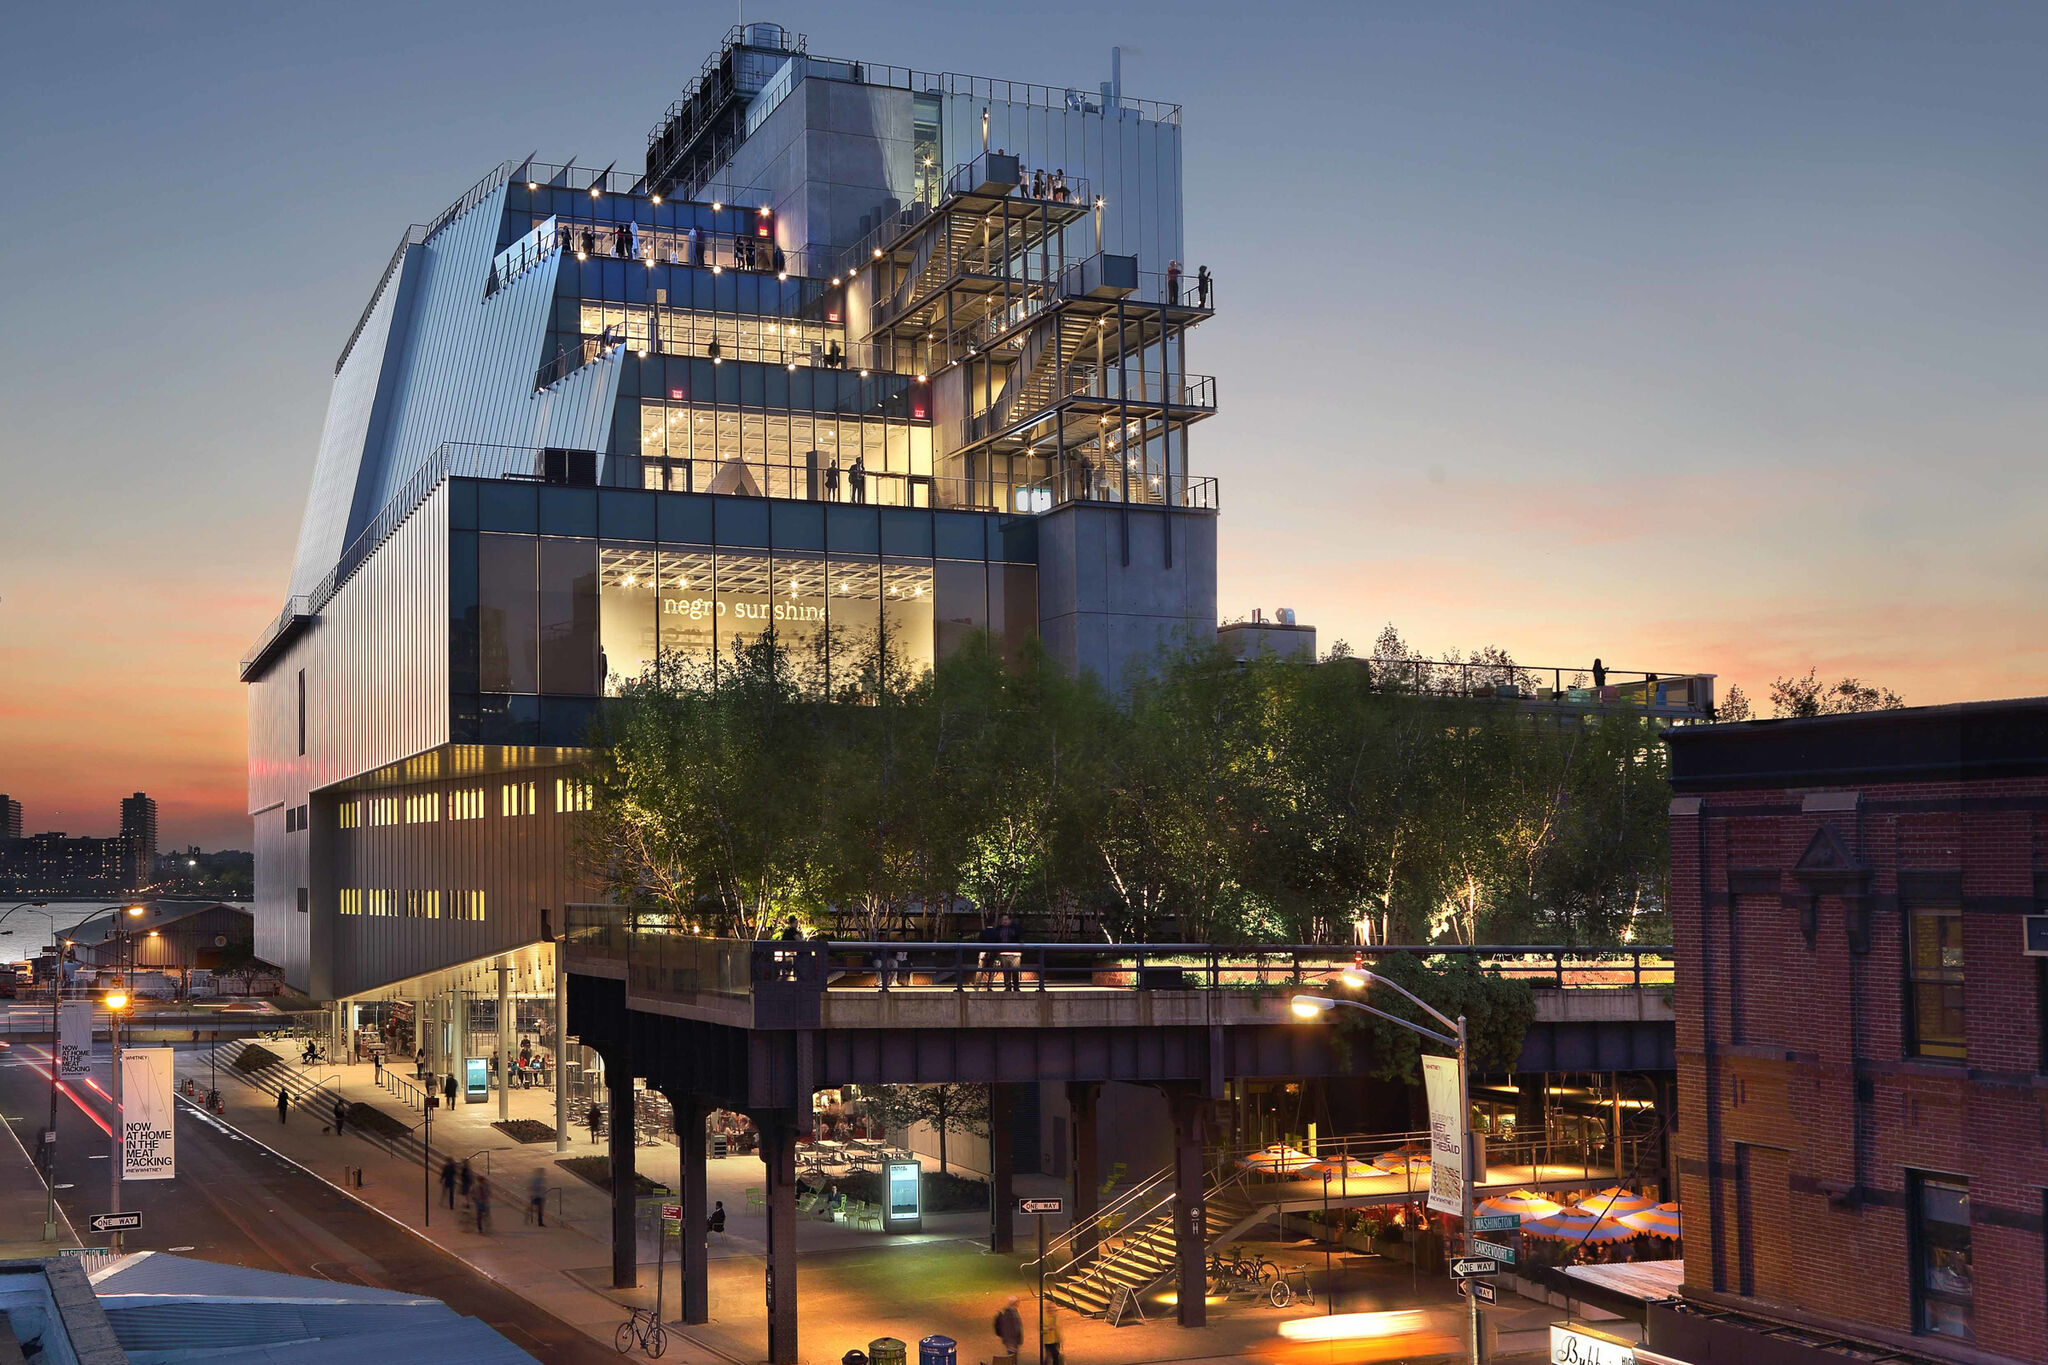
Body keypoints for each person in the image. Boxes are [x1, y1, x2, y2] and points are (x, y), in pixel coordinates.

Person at [994, 913, 1022, 991]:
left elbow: (1019, 936)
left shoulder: (1015, 928)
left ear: (1010, 920)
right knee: (1005, 970)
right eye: (1003, 920)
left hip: (1014, 953)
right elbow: (996, 939)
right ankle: (1007, 986)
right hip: (1003, 952)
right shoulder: (999, 929)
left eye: (1006, 919)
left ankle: (1016, 986)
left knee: (1015, 970)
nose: (1004, 921)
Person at [994, 1295, 1024, 1364]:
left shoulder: (1008, 1312)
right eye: (1017, 1302)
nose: (1018, 1303)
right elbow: (1016, 1327)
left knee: (1012, 1358)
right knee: (1012, 1358)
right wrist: (1018, 1338)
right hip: (1012, 1340)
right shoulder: (1012, 1313)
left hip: (1009, 1339)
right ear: (1014, 1303)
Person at [1041, 1300, 1063, 1365]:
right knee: (1055, 1355)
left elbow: (1058, 1328)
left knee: (1049, 1356)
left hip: (1056, 1339)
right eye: (1050, 1308)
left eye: (1053, 1308)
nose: (1052, 1310)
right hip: (1048, 1341)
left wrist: (1060, 1339)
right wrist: (1048, 1328)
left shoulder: (1056, 1317)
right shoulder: (1044, 1318)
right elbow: (1041, 1329)